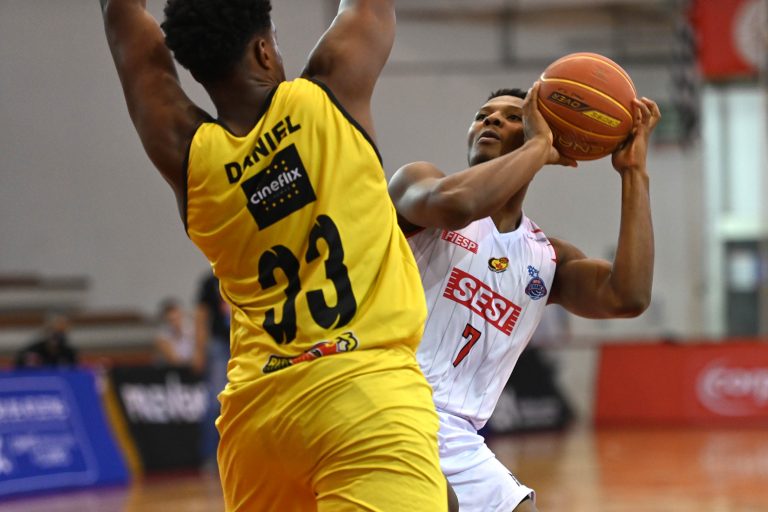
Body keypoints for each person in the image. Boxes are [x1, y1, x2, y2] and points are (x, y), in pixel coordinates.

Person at [100, 0, 447, 510]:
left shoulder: (186, 153)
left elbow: (125, 27)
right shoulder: (329, 92)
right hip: (365, 395)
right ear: (264, 51)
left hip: (256, 422)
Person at [388, 83, 660, 511]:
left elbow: (628, 295)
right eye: (483, 115)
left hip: (458, 436)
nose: (492, 119)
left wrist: (633, 173)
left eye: (514, 116)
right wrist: (537, 148)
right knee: (439, 502)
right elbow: (459, 204)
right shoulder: (420, 184)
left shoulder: (545, 256)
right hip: (389, 404)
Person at [194, 270, 230, 468]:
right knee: (215, 401)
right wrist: (199, 350)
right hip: (219, 346)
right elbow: (201, 316)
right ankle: (210, 456)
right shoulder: (210, 282)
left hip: (245, 342)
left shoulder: (243, 270)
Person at [153, 298, 197, 367]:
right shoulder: (161, 335)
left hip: (192, 367)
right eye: (171, 320)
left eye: (177, 318)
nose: (175, 323)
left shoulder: (193, 329)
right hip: (173, 369)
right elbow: (174, 360)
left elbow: (200, 353)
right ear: (166, 320)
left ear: (181, 314)